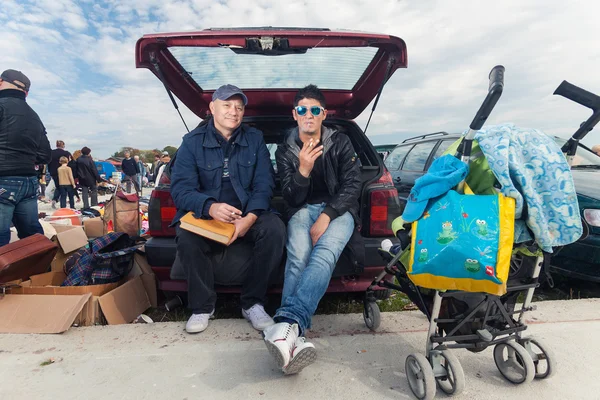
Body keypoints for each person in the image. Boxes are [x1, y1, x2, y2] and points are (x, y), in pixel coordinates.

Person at [170, 84, 285, 334]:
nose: (234, 111)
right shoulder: (190, 143)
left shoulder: (255, 139)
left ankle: (252, 303)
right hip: (206, 216)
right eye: (227, 105)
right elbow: (180, 190)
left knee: (274, 230)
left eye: (239, 107)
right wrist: (209, 207)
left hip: (246, 213)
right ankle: (202, 307)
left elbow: (265, 184)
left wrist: (250, 217)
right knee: (187, 237)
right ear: (212, 108)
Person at [263, 85, 361, 374]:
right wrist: (303, 169)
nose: (309, 114)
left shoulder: (340, 142)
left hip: (339, 210)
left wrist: (328, 215)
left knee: (324, 254)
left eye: (315, 109)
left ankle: (286, 325)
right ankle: (294, 337)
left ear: (323, 114)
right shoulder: (285, 151)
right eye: (303, 109)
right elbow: (291, 197)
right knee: (298, 256)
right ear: (294, 114)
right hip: (302, 210)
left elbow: (352, 185)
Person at [0, 69, 51, 246]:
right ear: (26, 93)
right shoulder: (34, 115)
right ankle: (41, 272)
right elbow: (46, 154)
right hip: (28, 182)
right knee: (32, 236)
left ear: (1, 82)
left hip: (3, 181)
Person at [48, 140, 72, 208]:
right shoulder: (66, 153)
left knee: (58, 186)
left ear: (56, 145)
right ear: (63, 145)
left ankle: (55, 199)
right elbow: (68, 163)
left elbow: (48, 162)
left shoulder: (51, 153)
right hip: (63, 172)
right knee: (62, 188)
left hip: (53, 172)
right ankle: (59, 201)